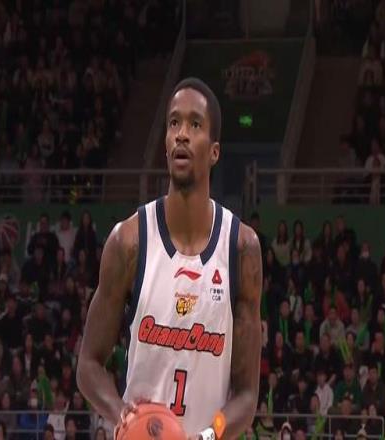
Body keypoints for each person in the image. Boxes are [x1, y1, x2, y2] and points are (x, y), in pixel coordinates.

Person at [77, 78, 262, 439]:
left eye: (195, 125)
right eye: (174, 123)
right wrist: (122, 416)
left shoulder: (242, 250)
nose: (181, 134)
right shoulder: (128, 242)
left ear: (214, 151)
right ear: (164, 143)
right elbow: (88, 364)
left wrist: (209, 435)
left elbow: (246, 395)